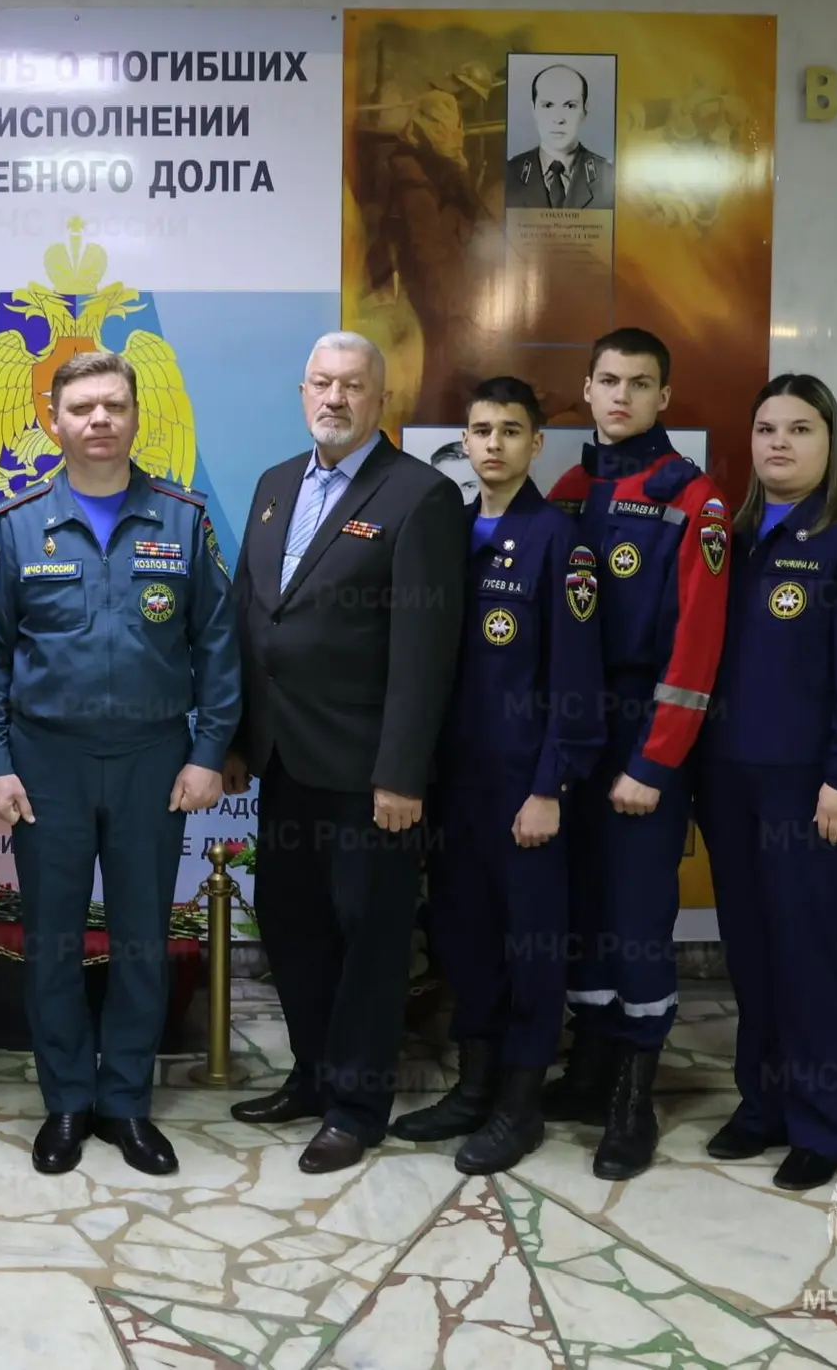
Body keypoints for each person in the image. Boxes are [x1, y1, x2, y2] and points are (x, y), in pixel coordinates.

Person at [0, 350, 239, 1177]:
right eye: (81, 407)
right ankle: (66, 1102)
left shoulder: (183, 520)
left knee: (142, 939)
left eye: (114, 406)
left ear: (135, 415)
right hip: (45, 762)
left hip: (153, 758)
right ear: (52, 420)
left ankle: (124, 1101)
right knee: (52, 939)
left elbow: (219, 646)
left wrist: (207, 753)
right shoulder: (16, 524)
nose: (98, 420)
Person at [224, 330, 467, 1175]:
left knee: (369, 940)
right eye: (321, 383)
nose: (335, 398)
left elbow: (426, 652)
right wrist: (233, 740)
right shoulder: (274, 485)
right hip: (283, 759)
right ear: (302, 392)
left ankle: (357, 1106)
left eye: (353, 386)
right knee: (292, 924)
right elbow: (249, 615)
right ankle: (312, 1075)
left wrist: (402, 771)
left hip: (369, 775)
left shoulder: (420, 495)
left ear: (380, 399)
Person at [695, 373, 837, 1192]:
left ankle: (823, 1123)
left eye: (799, 429)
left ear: (833, 442)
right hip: (732, 782)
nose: (779, 443)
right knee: (753, 951)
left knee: (813, 954)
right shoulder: (737, 535)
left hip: (816, 790)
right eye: (766, 429)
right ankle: (764, 1104)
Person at [392, 379, 603, 1173]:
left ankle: (519, 1105)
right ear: (464, 440)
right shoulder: (446, 531)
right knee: (465, 938)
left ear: (535, 443)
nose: (493, 444)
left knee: (531, 949)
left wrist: (550, 786)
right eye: (481, 430)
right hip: (455, 786)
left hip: (525, 789)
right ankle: (473, 1088)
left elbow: (577, 680)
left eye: (511, 431)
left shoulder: (559, 541)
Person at [543, 327, 729, 1181]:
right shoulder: (567, 490)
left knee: (638, 916)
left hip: (642, 732)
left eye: (640, 383)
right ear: (586, 389)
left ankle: (633, 1094)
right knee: (582, 904)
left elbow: (698, 648)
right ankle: (589, 1065)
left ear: (664, 397)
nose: (622, 396)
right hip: (573, 735)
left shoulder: (693, 499)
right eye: (609, 380)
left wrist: (654, 762)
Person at [505, 64, 615, 210]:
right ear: (533, 110)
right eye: (547, 105)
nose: (558, 119)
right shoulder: (507, 175)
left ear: (585, 110)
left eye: (570, 106)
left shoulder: (610, 177)